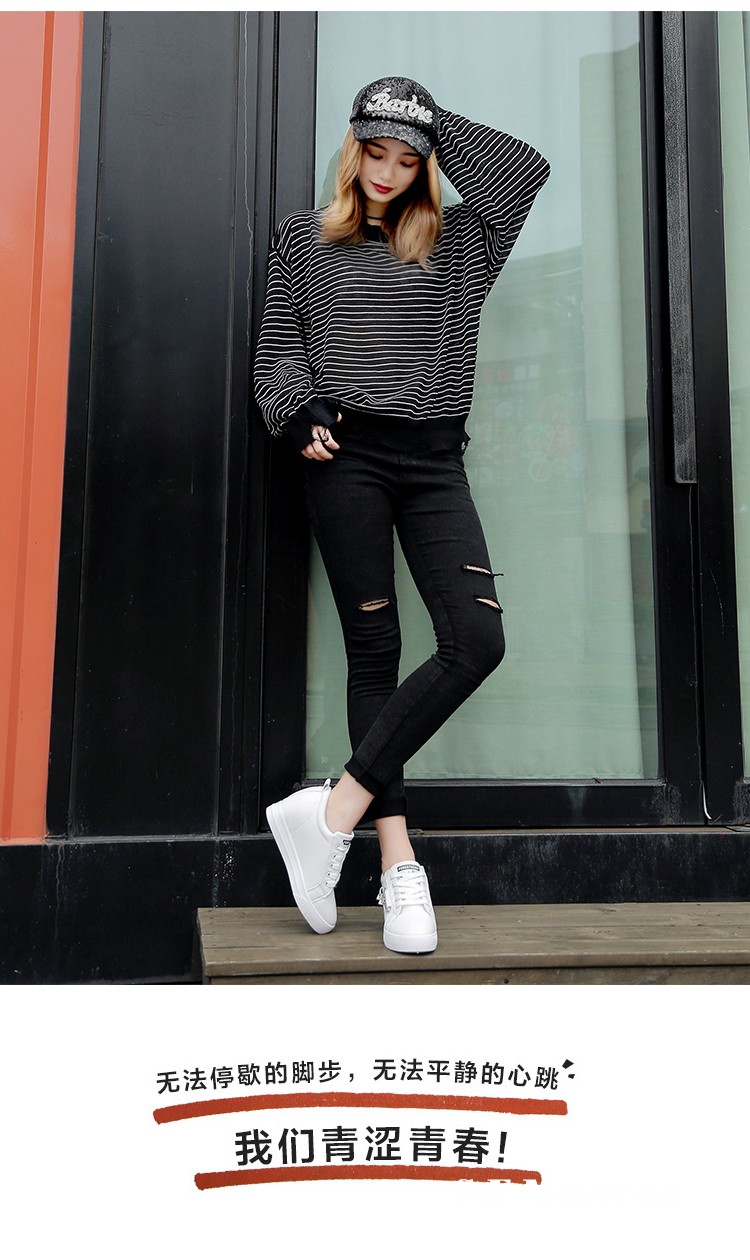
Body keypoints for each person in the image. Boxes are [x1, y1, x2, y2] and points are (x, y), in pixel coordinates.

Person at [254, 75, 549, 955]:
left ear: (427, 163)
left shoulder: (464, 243)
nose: (385, 171)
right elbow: (278, 352)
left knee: (476, 640)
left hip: (433, 463)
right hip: (346, 460)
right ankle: (398, 866)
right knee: (374, 652)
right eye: (373, 151)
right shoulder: (303, 238)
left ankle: (330, 815)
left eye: (405, 158)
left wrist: (423, 117)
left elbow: (523, 170)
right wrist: (294, 409)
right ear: (352, 151)